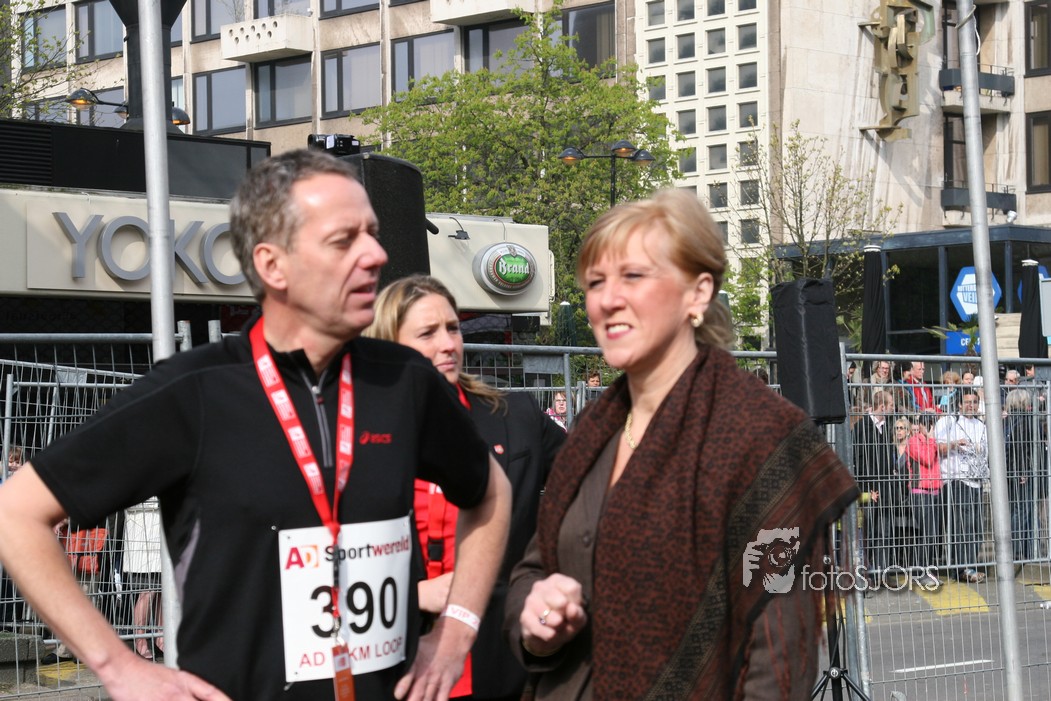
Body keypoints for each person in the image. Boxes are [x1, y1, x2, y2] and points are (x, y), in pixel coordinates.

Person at [0, 149, 512, 701]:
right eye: (344, 240)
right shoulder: (197, 392)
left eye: (373, 234)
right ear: (273, 266)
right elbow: (16, 514)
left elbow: (491, 492)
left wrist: (458, 630)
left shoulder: (405, 380)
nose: (376, 255)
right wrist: (117, 665)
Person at [504, 189, 858, 699]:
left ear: (697, 292)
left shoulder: (762, 438)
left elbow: (778, 656)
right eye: (596, 282)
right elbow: (535, 568)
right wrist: (536, 622)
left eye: (633, 276)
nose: (607, 299)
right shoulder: (591, 431)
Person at [365, 274, 565, 701]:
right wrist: (414, 594)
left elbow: (596, 482)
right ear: (388, 344)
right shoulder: (356, 435)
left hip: (500, 662)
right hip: (395, 660)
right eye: (427, 333)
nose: (448, 344)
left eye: (452, 328)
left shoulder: (516, 416)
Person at [932, 392, 988, 583]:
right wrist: (955, 444)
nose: (971, 405)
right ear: (959, 404)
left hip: (977, 480)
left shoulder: (981, 425)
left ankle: (969, 566)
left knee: (977, 527)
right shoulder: (948, 422)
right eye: (967, 402)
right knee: (963, 526)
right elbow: (936, 447)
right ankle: (964, 569)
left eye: (975, 402)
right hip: (956, 480)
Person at [852, 390, 903, 573]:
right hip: (870, 490)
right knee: (870, 533)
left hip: (885, 489)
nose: (893, 409)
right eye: (891, 405)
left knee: (885, 533)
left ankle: (882, 571)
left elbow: (889, 453)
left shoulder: (886, 426)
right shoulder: (861, 427)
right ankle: (868, 572)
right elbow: (856, 459)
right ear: (882, 406)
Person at [894, 419, 941, 586]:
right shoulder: (914, 442)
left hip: (934, 491)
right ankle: (922, 572)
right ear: (921, 426)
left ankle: (927, 571)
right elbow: (927, 459)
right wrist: (931, 439)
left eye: (932, 424)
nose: (930, 427)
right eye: (927, 424)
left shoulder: (931, 441)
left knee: (931, 535)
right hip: (920, 492)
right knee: (927, 534)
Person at [1004, 388, 1037, 561]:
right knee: (1022, 510)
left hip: (1008, 471)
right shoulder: (1024, 420)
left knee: (1016, 510)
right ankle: (1017, 550)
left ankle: (1024, 550)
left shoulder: (1007, 420)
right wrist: (1023, 471)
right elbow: (1021, 447)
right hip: (1020, 471)